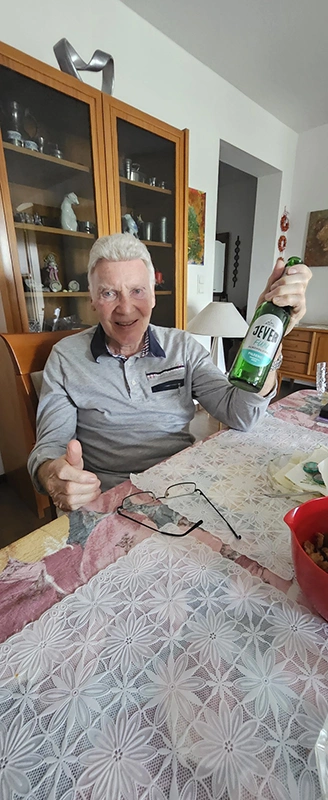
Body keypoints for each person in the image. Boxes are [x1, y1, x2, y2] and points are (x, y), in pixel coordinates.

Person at [28, 233, 312, 512]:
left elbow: (242, 414)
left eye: (137, 291)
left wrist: (272, 336)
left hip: (181, 488)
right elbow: (50, 447)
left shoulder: (183, 347)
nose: (125, 308)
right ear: (92, 299)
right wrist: (53, 474)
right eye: (109, 293)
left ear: (153, 296)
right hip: (109, 498)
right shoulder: (66, 357)